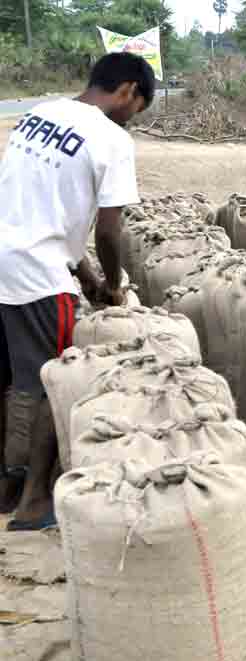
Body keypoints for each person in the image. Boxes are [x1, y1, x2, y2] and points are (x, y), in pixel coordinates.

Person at [0, 52, 153, 530]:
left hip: (4, 256)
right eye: (138, 107)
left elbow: (44, 212)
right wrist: (113, 283)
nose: (133, 118)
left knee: (5, 380)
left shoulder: (38, 116)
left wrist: (86, 280)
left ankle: (5, 489)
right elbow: (109, 232)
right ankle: (35, 501)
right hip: (38, 278)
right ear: (128, 91)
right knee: (53, 382)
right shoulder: (112, 139)